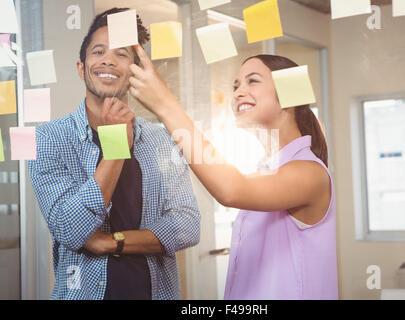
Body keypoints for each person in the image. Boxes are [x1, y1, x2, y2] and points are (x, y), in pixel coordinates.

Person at [128, 47, 338, 299]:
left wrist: (165, 104)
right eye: (236, 85)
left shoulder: (309, 172)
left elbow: (230, 191)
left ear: (289, 95)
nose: (239, 92)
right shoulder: (268, 169)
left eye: (253, 81)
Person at [28, 8, 200, 300]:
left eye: (121, 54)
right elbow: (71, 229)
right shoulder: (49, 139)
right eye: (98, 51)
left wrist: (110, 242)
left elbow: (187, 225)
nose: (108, 59)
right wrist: (116, 145)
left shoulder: (161, 140)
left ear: (134, 73)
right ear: (82, 68)